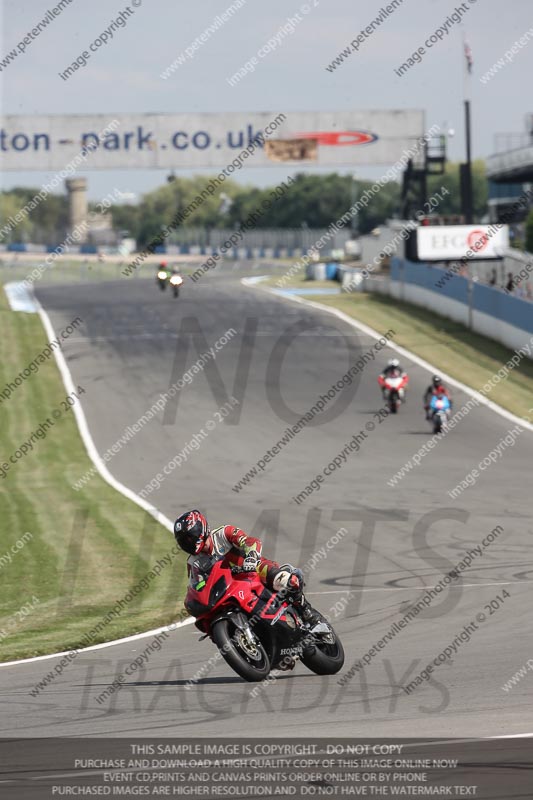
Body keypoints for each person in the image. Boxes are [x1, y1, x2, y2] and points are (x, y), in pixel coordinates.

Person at [174, 510, 321, 626]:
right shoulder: (193, 562)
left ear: (200, 529)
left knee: (283, 581)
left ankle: (306, 611)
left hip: (253, 570)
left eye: (189, 537)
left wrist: (250, 557)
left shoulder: (223, 533)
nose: (188, 542)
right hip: (229, 588)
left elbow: (250, 541)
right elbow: (197, 585)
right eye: (183, 541)